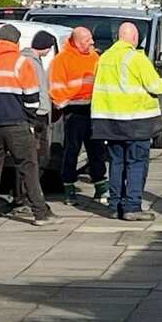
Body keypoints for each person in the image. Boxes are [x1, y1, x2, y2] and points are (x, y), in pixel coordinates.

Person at [0, 24, 62, 227]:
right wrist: (29, 120)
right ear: (16, 41)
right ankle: (40, 213)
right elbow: (32, 98)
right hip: (18, 124)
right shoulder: (21, 62)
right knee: (28, 167)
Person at [91, 22, 162, 221]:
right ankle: (132, 207)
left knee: (116, 163)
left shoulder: (104, 58)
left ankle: (114, 206)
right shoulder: (137, 58)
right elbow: (155, 86)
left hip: (110, 121)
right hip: (136, 122)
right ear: (134, 38)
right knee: (136, 164)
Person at [49, 27, 108, 205]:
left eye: (91, 39)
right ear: (75, 41)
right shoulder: (61, 60)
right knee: (71, 151)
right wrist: (80, 86)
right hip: (73, 112)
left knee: (97, 150)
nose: (91, 43)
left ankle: (101, 188)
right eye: (86, 40)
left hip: (93, 110)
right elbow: (57, 93)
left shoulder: (94, 57)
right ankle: (69, 189)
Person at [11, 31, 57, 214]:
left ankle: (25, 197)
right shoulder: (30, 61)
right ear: (46, 46)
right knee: (33, 159)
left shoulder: (31, 60)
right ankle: (26, 199)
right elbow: (32, 89)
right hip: (35, 116)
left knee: (33, 158)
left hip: (36, 114)